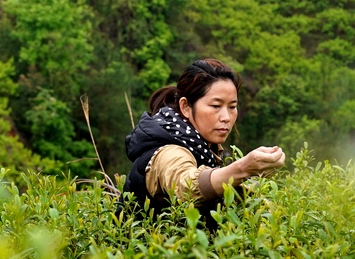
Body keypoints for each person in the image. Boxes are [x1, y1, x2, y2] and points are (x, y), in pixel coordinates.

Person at [122, 58, 285, 225]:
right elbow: (186, 188)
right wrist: (243, 168)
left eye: (232, 107)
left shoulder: (203, 147)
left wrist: (259, 175)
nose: (226, 118)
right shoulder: (169, 151)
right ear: (185, 106)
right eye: (216, 106)